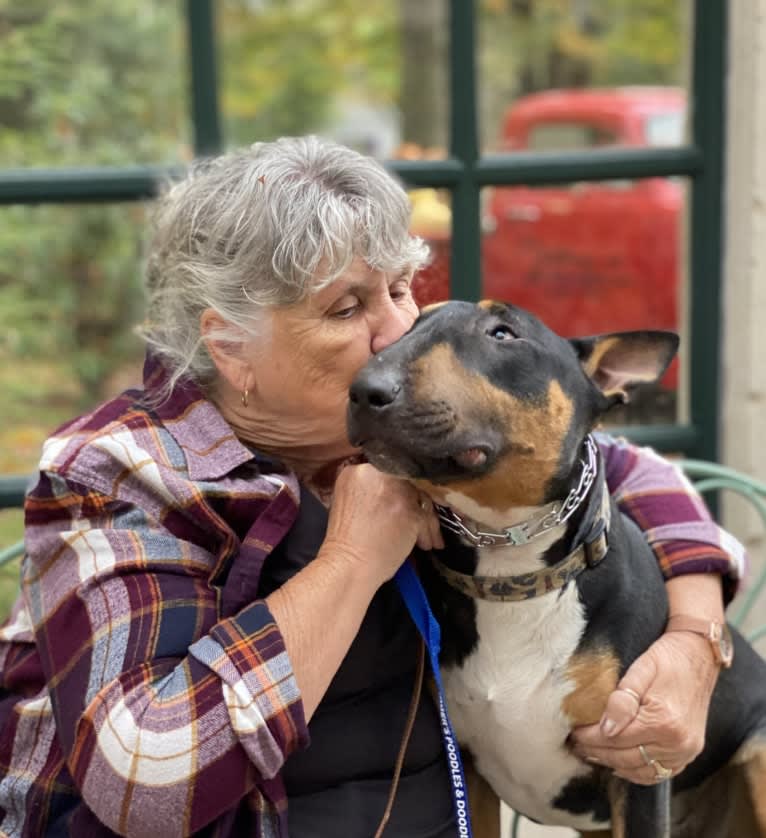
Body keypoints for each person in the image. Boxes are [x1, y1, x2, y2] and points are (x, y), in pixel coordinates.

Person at [0, 136, 744, 837]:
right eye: (348, 308)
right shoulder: (122, 473)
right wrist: (349, 562)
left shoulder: (412, 438)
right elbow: (143, 784)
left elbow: (611, 464)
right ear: (232, 349)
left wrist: (691, 642)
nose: (400, 334)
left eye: (400, 289)